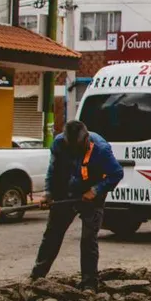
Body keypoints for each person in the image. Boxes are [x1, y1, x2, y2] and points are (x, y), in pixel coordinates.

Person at [30, 120, 124, 290]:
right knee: (52, 234)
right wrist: (48, 193)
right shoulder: (59, 143)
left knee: (88, 239)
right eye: (70, 147)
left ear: (86, 139)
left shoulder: (101, 149)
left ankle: (89, 283)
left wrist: (95, 190)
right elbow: (53, 169)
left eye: (78, 147)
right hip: (66, 192)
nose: (74, 151)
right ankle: (37, 276)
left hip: (91, 197)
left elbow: (116, 173)